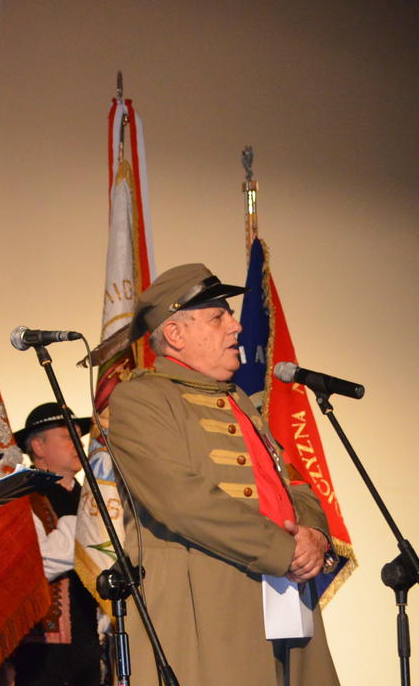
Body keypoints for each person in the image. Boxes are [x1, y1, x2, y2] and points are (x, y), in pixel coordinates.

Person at [108, 263, 340, 686]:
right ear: (175, 334)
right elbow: (182, 502)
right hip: (203, 605)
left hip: (282, 596)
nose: (236, 327)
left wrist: (314, 535)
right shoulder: (140, 399)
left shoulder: (239, 398)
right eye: (218, 317)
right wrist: (285, 550)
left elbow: (291, 482)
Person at [9, 403, 101, 686]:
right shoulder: (23, 495)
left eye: (78, 435)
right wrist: (84, 523)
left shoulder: (90, 496)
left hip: (89, 639)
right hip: (44, 651)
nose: (78, 442)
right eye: (66, 435)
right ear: (38, 446)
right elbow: (38, 562)